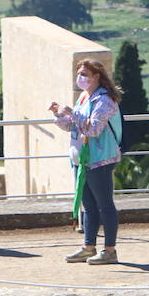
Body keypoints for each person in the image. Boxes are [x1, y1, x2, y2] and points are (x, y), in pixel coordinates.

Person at [51, 58, 124, 265]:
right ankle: (88, 247)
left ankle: (110, 250)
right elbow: (72, 126)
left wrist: (70, 113)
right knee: (89, 206)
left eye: (85, 74)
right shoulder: (84, 97)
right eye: (79, 73)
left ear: (97, 77)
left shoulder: (105, 100)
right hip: (82, 160)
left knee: (105, 206)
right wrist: (58, 115)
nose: (81, 78)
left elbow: (93, 129)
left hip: (100, 160)